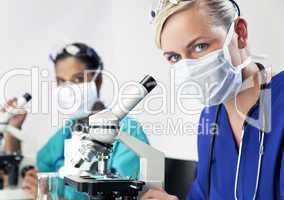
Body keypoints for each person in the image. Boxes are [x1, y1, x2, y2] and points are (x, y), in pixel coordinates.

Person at [142, 0, 283, 199]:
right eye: (174, 57)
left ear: (240, 33)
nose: (189, 67)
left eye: (200, 46)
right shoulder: (210, 117)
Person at [19, 42, 149, 199]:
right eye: (61, 81)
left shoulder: (128, 130)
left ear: (98, 80)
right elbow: (39, 168)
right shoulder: (68, 130)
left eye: (78, 79)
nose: (68, 90)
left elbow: (124, 193)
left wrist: (49, 195)